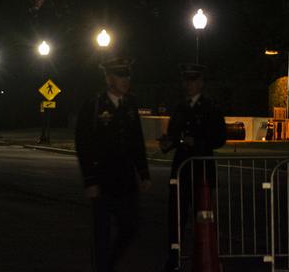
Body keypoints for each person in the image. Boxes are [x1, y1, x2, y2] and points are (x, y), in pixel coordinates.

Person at [75, 56, 152, 272]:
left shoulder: (130, 104)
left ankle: (107, 265)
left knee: (131, 227)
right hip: (103, 179)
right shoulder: (95, 105)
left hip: (126, 179)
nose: (125, 80)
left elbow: (136, 140)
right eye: (120, 75)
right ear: (109, 78)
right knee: (102, 233)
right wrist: (89, 180)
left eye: (127, 75)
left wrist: (143, 173)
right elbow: (84, 143)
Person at [158, 63, 226, 272]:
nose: (189, 85)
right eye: (186, 81)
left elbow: (219, 138)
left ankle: (204, 255)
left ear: (201, 82)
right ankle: (174, 256)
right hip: (182, 168)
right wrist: (168, 142)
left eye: (193, 80)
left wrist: (197, 142)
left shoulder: (210, 107)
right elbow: (174, 133)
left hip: (201, 169)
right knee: (176, 216)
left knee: (202, 216)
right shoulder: (180, 107)